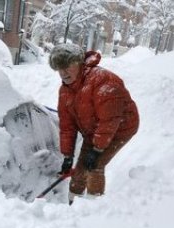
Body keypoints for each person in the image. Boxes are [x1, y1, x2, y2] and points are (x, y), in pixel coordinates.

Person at [49, 43, 139, 203]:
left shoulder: (103, 80)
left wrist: (97, 150)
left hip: (120, 127)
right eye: (59, 69)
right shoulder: (65, 90)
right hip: (94, 129)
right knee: (81, 168)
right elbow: (67, 126)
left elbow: (109, 120)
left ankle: (93, 209)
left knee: (95, 166)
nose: (63, 73)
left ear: (79, 63)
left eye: (67, 66)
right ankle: (72, 203)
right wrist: (68, 156)